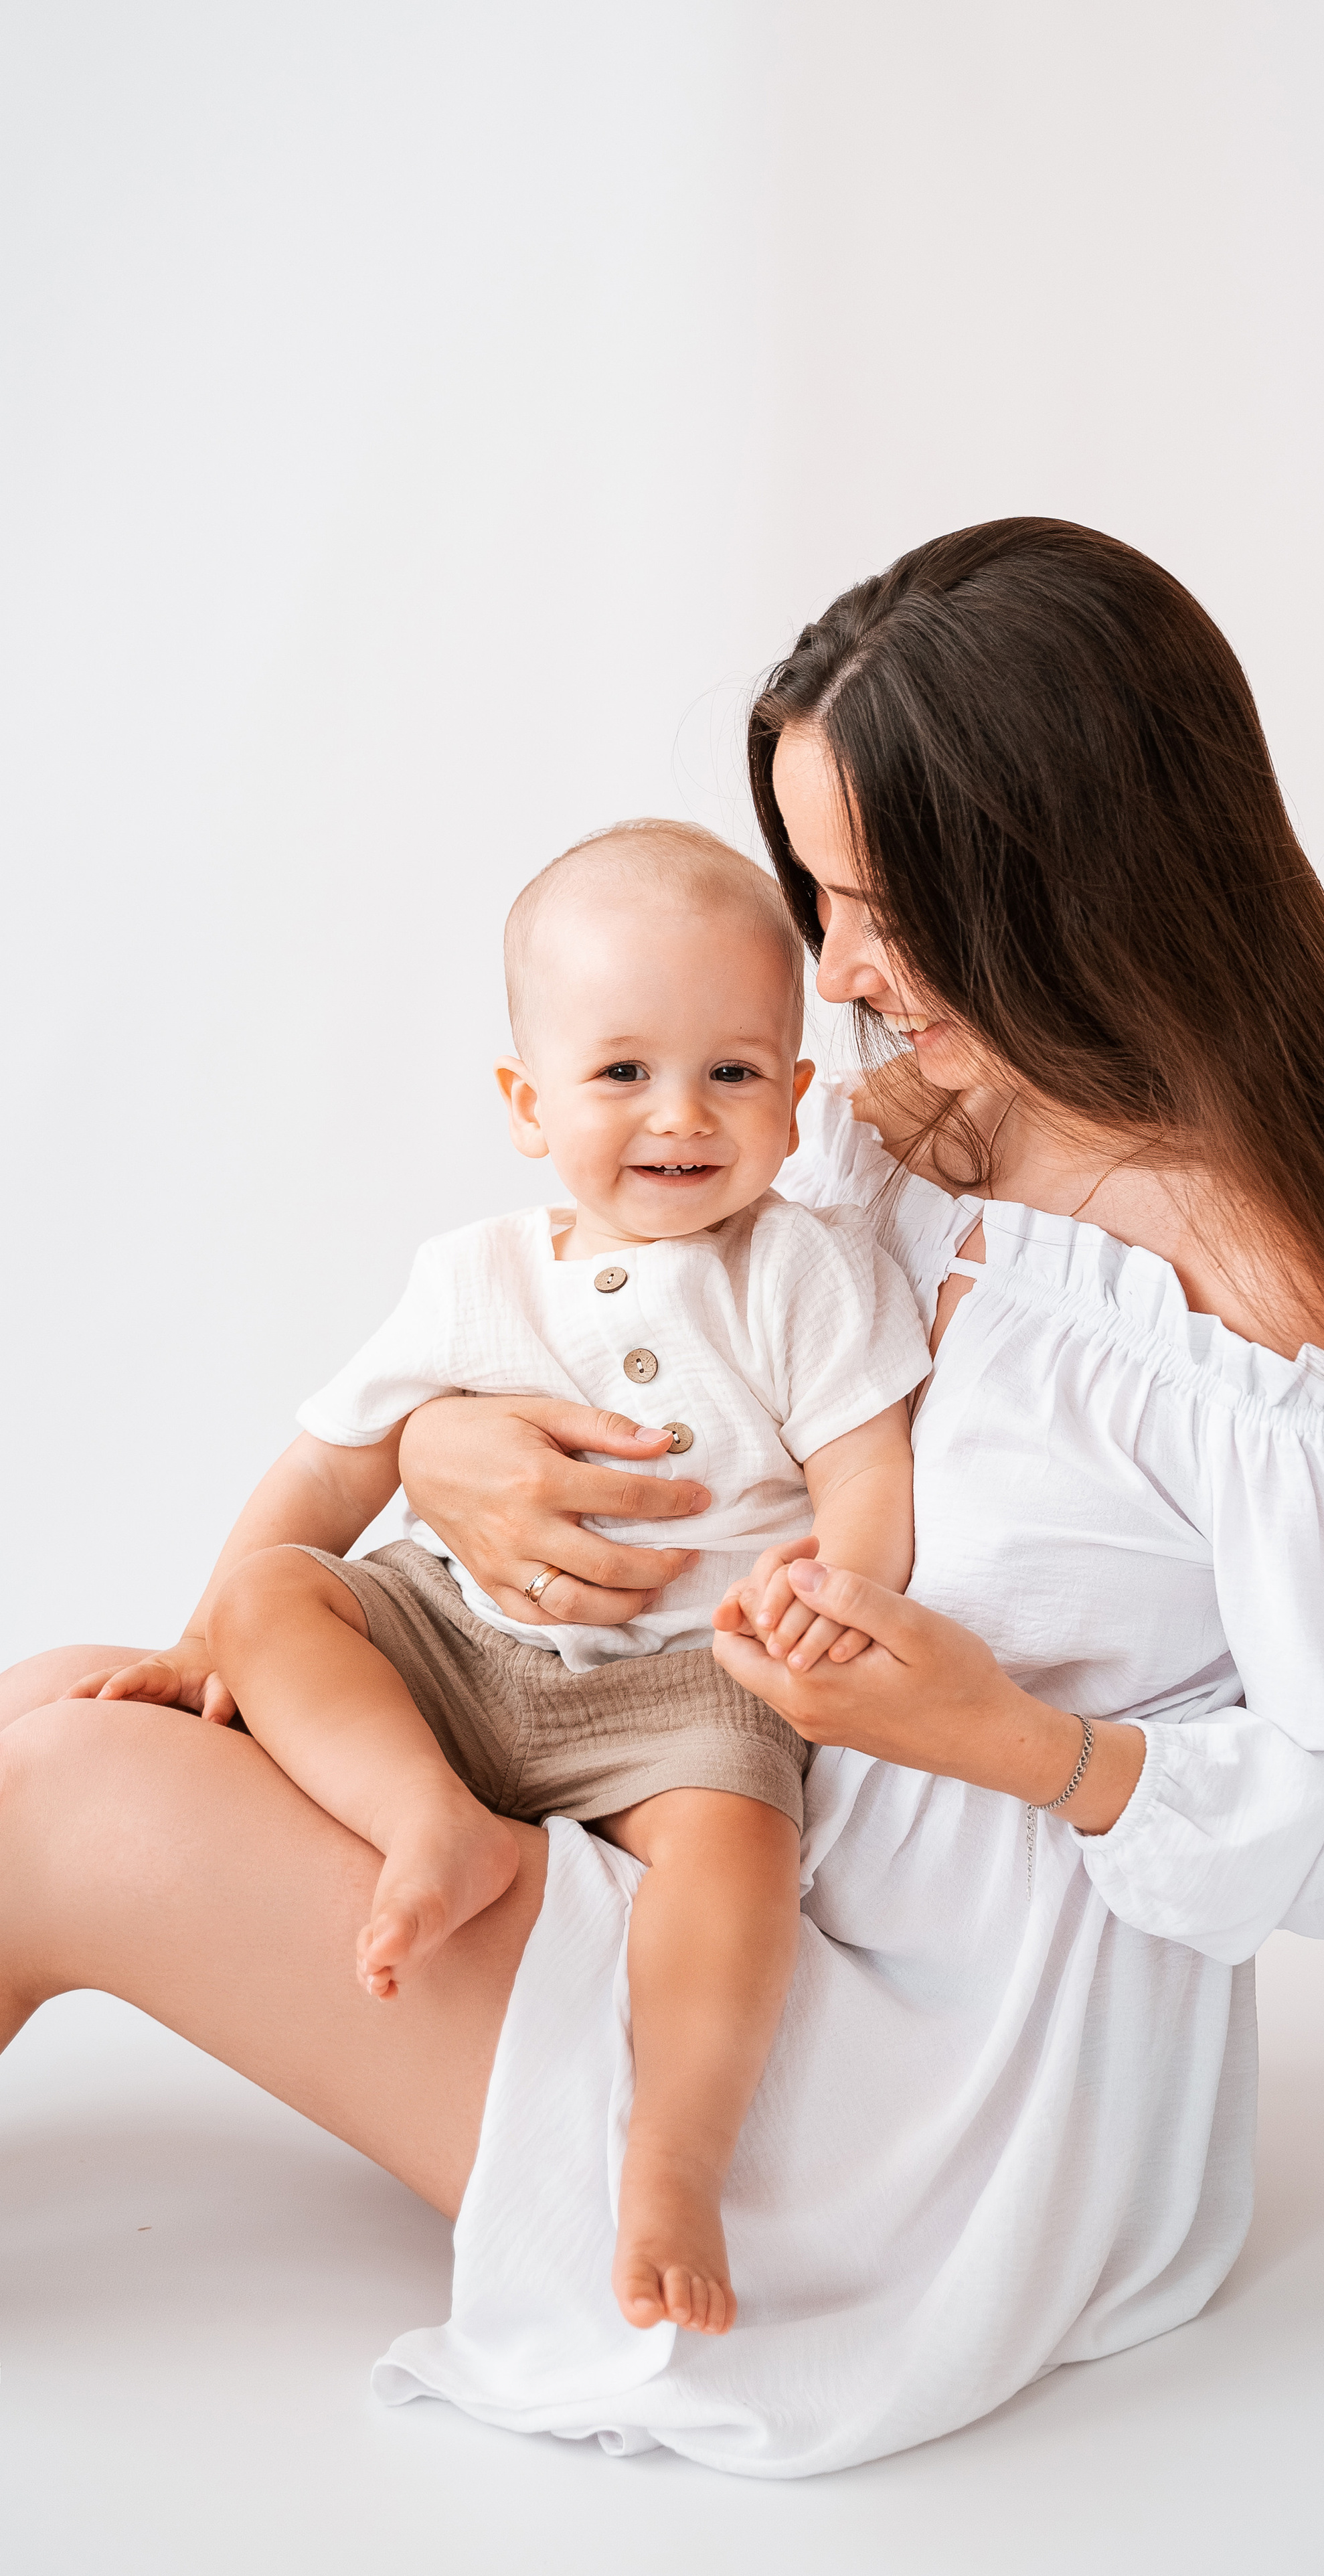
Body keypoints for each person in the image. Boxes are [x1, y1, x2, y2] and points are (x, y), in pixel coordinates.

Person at [0, 519, 1324, 2481]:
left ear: (1071, 870)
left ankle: (670, 2188)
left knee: (62, 1798)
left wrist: (1027, 1746)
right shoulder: (902, 1128)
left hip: (893, 2083)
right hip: (673, 1811)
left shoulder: (1270, 1335)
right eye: (819, 895)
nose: (838, 971)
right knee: (62, 1697)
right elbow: (641, 1319)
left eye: (886, 906)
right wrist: (439, 1450)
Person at [61, 819, 926, 2340]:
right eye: (622, 1071)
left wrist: (832, 1595)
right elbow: (331, 1468)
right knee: (277, 1593)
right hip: (463, 1641)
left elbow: (867, 1474)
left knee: (737, 1848)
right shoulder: (475, 1276)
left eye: (732, 1071)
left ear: (796, 1099)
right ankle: (428, 1821)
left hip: (688, 1681)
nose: (681, 1114)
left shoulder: (801, 1272)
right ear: (529, 1103)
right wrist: (208, 1636)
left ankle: (672, 2158)